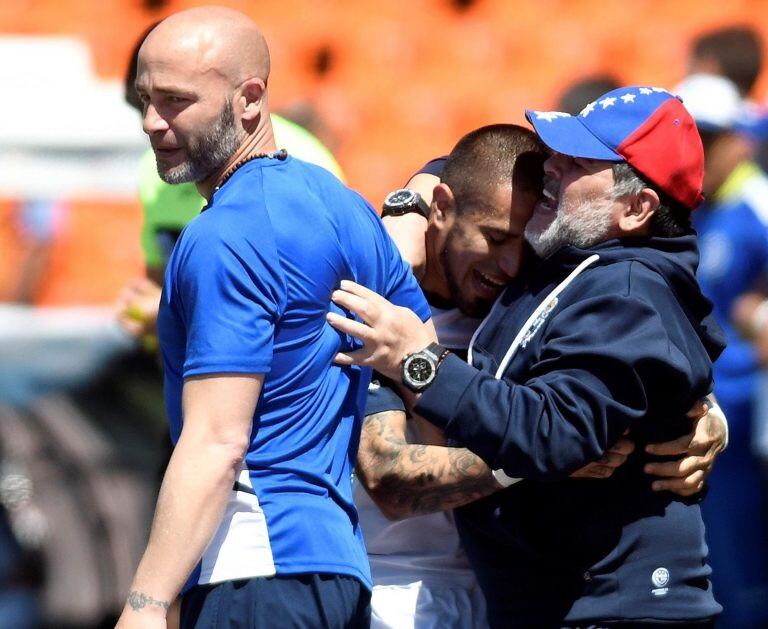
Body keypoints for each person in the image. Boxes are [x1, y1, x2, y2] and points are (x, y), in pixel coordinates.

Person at [329, 86, 725, 627]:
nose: (513, 263)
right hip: (421, 593)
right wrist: (411, 199)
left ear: (636, 209)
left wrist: (418, 361)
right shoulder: (399, 288)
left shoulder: (616, 284)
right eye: (494, 238)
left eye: (577, 163)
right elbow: (391, 475)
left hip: (605, 607)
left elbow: (560, 427)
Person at [115, 7, 431, 629]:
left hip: (255, 570)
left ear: (250, 99)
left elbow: (218, 440)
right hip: (336, 569)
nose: (154, 122)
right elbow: (427, 363)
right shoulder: (345, 208)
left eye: (177, 101)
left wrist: (146, 604)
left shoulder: (224, 235)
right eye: (145, 100)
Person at [675, 73, 768, 628]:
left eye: (710, 139)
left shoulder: (757, 205)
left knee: (745, 562)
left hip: (746, 407)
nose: (701, 153)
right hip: (710, 404)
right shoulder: (700, 210)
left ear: (739, 137)